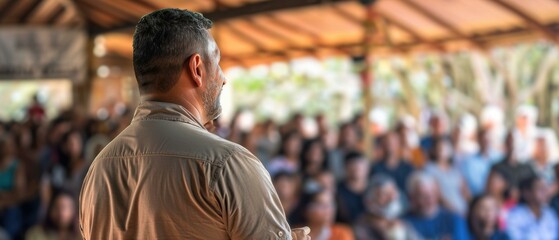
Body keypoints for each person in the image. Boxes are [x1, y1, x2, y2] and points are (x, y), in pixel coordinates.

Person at [79, 9, 308, 240]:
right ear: (197, 68)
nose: (223, 77)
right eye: (217, 62)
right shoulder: (227, 163)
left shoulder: (99, 167)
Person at [403, 172, 470, 240]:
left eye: (433, 193)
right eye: (423, 195)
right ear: (412, 198)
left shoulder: (454, 219)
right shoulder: (403, 223)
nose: (430, 199)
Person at [354, 175, 422, 240]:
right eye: (384, 194)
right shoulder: (361, 226)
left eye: (393, 192)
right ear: (369, 201)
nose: (392, 198)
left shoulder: (402, 224)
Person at [424, 137, 470, 215]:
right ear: (434, 150)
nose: (442, 150)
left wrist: (471, 206)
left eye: (445, 147)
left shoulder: (455, 170)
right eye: (438, 148)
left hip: (463, 208)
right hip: (446, 211)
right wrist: (455, 211)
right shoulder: (429, 169)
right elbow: (437, 195)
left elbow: (465, 191)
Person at [290, 184, 355, 240]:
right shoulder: (295, 233)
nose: (328, 210)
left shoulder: (342, 233)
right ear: (306, 210)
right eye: (321, 205)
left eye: (330, 204)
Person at [459, 129, 502, 197]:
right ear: (478, 140)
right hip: (475, 199)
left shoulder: (500, 159)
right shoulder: (468, 161)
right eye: (483, 140)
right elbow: (463, 184)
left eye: (488, 140)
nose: (485, 142)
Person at [0, 134, 26, 239]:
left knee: (12, 213)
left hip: (10, 204)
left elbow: (19, 193)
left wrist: (3, 202)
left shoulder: (17, 166)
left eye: (8, 145)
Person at [336, 152, 370, 224]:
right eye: (353, 165)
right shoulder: (337, 191)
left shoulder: (375, 188)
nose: (357, 168)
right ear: (345, 168)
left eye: (360, 165)